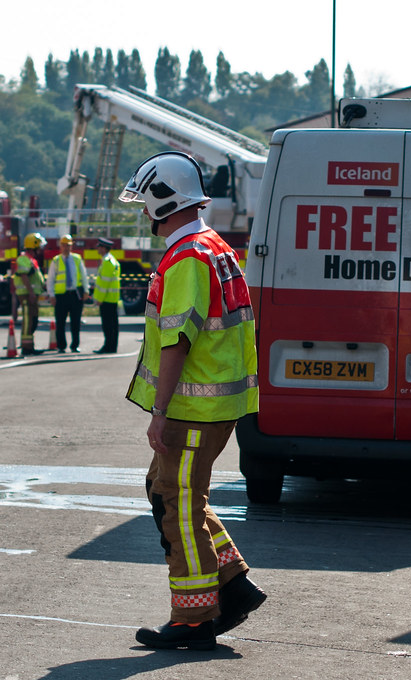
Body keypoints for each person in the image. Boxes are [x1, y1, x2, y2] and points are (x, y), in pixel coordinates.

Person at [119, 151, 264, 651]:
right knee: (165, 491)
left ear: (165, 200)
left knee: (179, 504)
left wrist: (159, 414)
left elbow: (176, 340)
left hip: (191, 409)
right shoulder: (214, 247)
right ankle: (233, 584)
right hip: (211, 406)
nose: (143, 212)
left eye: (146, 202)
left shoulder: (186, 258)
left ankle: (193, 619)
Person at [46, 234, 89, 353]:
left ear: (71, 246)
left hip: (75, 294)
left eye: (68, 246)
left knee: (76, 321)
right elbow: (50, 280)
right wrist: (52, 295)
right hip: (61, 296)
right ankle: (61, 346)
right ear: (60, 246)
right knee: (60, 322)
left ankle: (75, 345)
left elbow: (84, 276)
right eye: (64, 245)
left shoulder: (77, 259)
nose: (66, 248)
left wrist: (86, 290)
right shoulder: (56, 260)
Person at [14, 233, 46, 356]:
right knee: (28, 320)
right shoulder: (23, 259)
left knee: (33, 320)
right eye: (39, 245)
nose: (41, 248)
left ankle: (30, 346)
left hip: (31, 294)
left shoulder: (31, 260)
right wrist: (31, 292)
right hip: (26, 294)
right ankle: (27, 348)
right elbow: (24, 276)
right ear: (33, 245)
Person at [92, 238, 121, 354]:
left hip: (107, 299)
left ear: (104, 248)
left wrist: (99, 299)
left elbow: (104, 283)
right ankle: (111, 347)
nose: (98, 249)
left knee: (108, 325)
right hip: (111, 298)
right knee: (112, 324)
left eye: (99, 247)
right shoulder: (110, 260)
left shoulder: (107, 262)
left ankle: (108, 347)